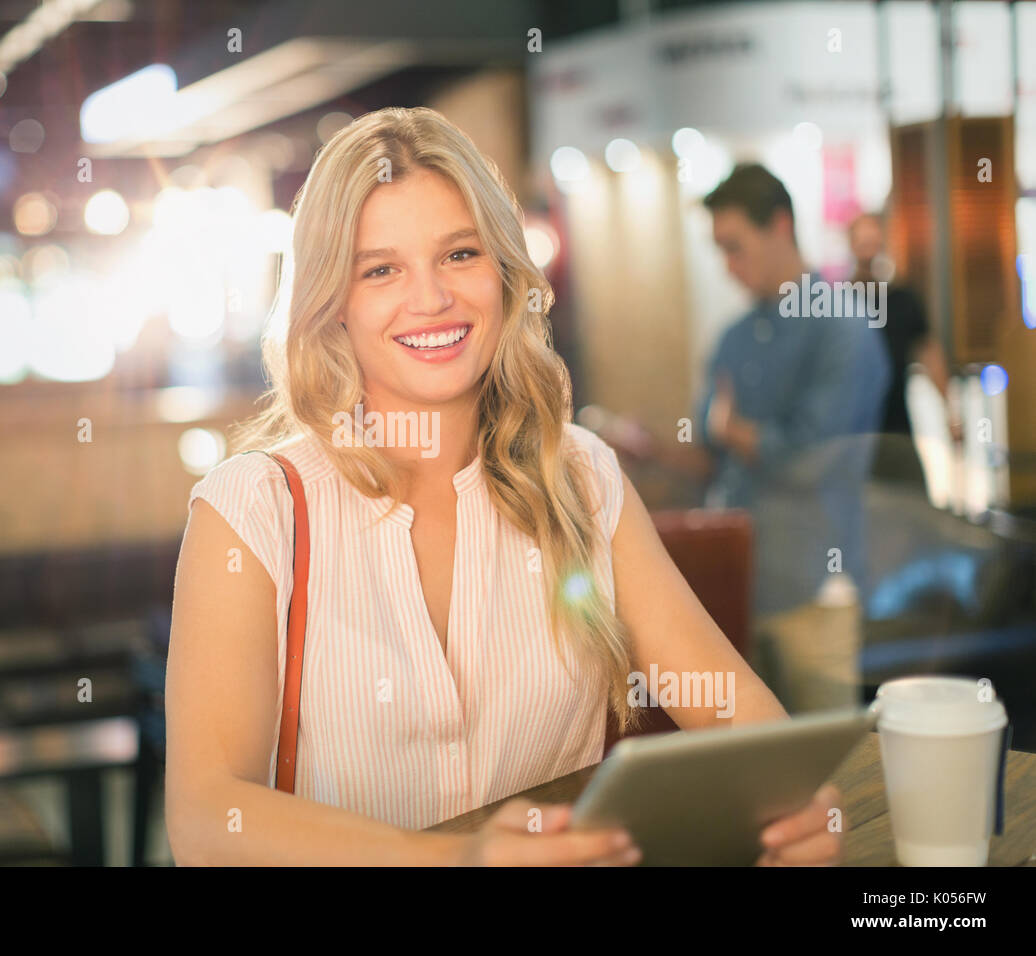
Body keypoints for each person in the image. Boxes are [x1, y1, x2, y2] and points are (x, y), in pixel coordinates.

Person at [163, 111, 841, 866]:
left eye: (459, 253)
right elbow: (204, 819)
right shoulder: (254, 509)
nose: (431, 299)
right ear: (334, 304)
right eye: (380, 268)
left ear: (505, 273)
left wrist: (795, 797)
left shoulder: (579, 476)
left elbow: (733, 709)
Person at [697, 165, 890, 716]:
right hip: (738, 586)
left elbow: (813, 458)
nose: (729, 266)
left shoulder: (842, 326)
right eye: (720, 251)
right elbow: (710, 456)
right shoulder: (735, 337)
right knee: (748, 769)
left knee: (824, 766)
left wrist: (734, 432)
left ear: (779, 226)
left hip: (816, 586)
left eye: (736, 246)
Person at [846, 211, 958, 491]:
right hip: (852, 435)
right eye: (862, 242)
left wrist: (950, 414)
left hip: (898, 428)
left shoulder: (903, 299)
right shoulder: (840, 305)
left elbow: (929, 353)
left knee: (910, 505)